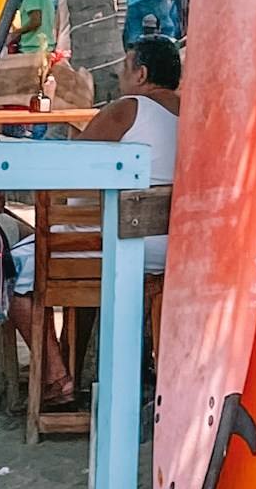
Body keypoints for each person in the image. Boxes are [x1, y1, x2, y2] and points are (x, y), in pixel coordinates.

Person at [10, 35, 181, 405]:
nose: (120, 75)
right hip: (173, 246)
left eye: (125, 66)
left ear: (142, 74)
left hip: (122, 244)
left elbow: (73, 165)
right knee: (75, 245)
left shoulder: (130, 108)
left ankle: (57, 379)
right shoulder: (192, 111)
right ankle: (71, 365)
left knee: (13, 271)